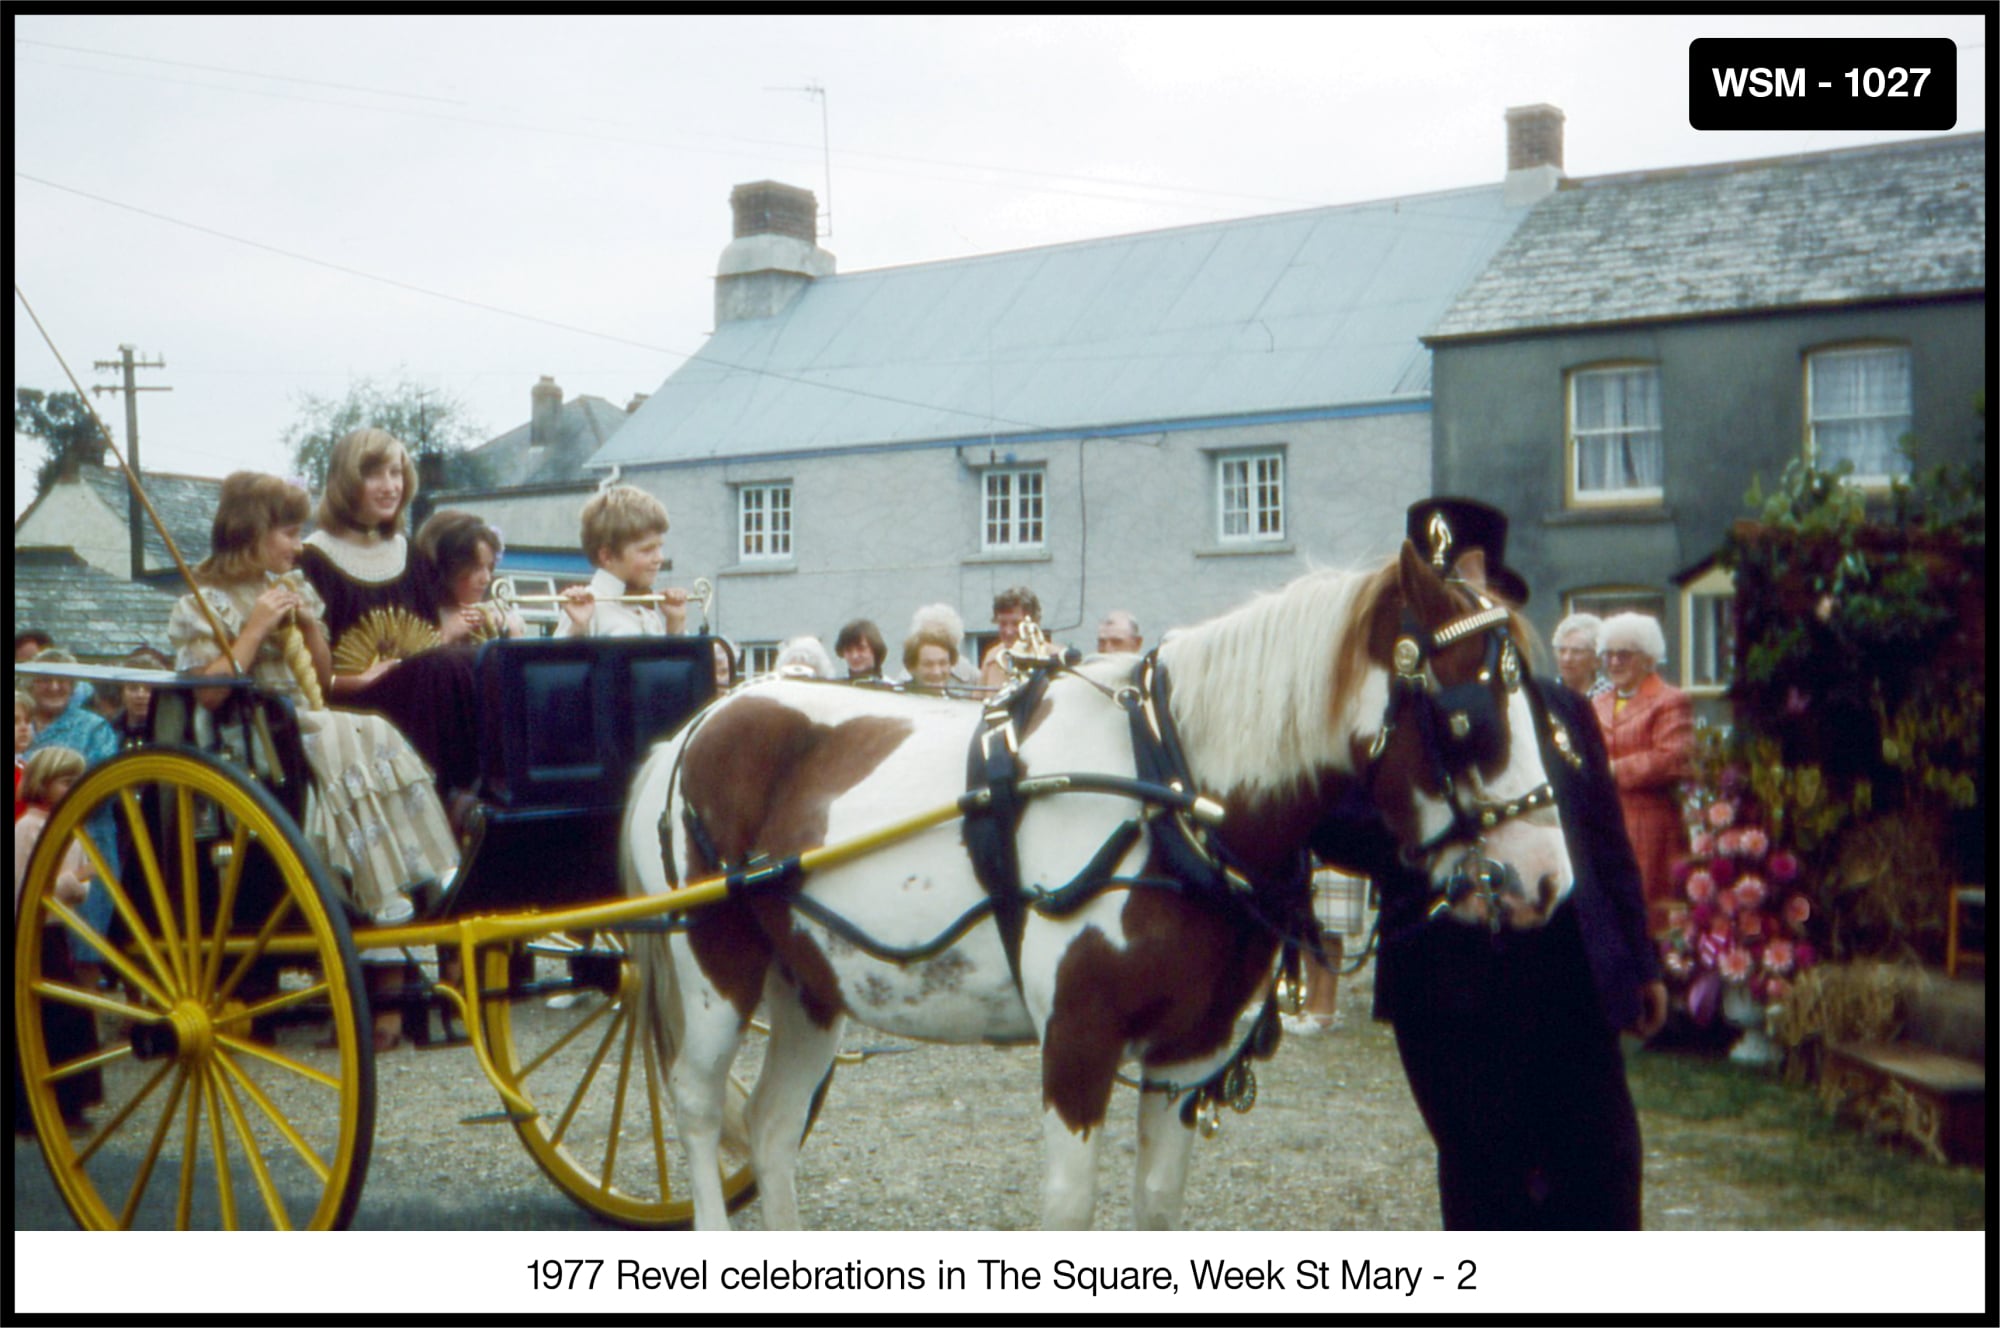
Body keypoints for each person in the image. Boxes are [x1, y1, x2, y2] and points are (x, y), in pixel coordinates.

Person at [1310, 496, 1665, 1230]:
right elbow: (1334, 824)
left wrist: (1640, 960)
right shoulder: (1385, 714)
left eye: (1477, 594)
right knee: (1487, 1187)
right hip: (1451, 990)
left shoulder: (1562, 708)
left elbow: (1605, 842)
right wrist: (1424, 832)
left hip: (1569, 979)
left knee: (1604, 1169)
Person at [171, 472, 460, 1050]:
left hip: (303, 722)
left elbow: (323, 678)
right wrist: (255, 627)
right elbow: (208, 692)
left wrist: (307, 624)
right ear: (250, 532)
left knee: (368, 728)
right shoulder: (198, 601)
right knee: (340, 733)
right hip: (248, 739)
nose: (297, 544)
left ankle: (418, 867)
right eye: (287, 532)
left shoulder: (297, 583)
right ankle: (385, 892)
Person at [299, 428, 482, 801]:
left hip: (421, 696)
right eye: (374, 474)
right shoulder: (313, 559)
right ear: (346, 481)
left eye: (396, 473)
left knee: (478, 661)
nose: (389, 486)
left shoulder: (408, 553)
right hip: (353, 710)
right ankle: (450, 796)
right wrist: (359, 678)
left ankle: (481, 789)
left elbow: (430, 639)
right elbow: (305, 674)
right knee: (443, 668)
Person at [13, 746, 105, 1134]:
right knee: (46, 1017)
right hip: (30, 936)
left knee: (70, 1012)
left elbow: (76, 886)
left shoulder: (68, 826)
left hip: (57, 932)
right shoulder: (26, 829)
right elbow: (22, 888)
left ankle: (71, 1102)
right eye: (67, 781)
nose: (74, 788)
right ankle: (32, 1109)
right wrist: (72, 883)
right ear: (43, 783)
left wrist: (79, 884)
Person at [1592, 611, 1695, 932]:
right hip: (1603, 818)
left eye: (1624, 654)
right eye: (1608, 654)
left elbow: (1672, 758)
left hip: (1649, 823)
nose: (1614, 662)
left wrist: (1611, 768)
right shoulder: (1597, 702)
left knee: (1647, 910)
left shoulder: (1669, 700)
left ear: (1649, 659)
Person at [23, 648, 121, 973]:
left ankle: (85, 1019)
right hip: (25, 840)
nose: (53, 687)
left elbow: (102, 789)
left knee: (82, 947)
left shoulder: (94, 728)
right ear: (30, 684)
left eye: (62, 680)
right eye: (44, 680)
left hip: (85, 840)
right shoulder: (20, 723)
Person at [556, 484, 690, 638]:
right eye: (647, 550)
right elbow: (561, 661)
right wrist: (578, 628)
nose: (659, 558)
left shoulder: (648, 613)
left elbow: (667, 662)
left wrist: (676, 624)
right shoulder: (583, 610)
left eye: (660, 547)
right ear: (607, 556)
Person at [415, 508, 527, 645]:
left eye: (489, 567)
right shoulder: (416, 617)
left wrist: (511, 633)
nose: (486, 579)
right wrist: (444, 635)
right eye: (475, 568)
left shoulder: (496, 614)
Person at [978, 586, 1041, 690]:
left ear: (1034, 622)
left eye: (1016, 624)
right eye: (1002, 624)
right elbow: (978, 702)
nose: (1008, 631)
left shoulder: (1052, 658)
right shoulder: (991, 659)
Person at [111, 647, 173, 747]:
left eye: (149, 689)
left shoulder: (172, 734)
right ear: (122, 693)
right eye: (133, 688)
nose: (141, 695)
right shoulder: (109, 732)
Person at [1551, 612, 1610, 699]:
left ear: (1597, 660)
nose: (1567, 658)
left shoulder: (1612, 698)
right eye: (1562, 650)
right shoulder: (1546, 695)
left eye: (1576, 651)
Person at [903, 627, 960, 694]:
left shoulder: (957, 703)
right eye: (928, 664)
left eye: (943, 663)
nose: (936, 672)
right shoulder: (897, 700)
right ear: (911, 667)